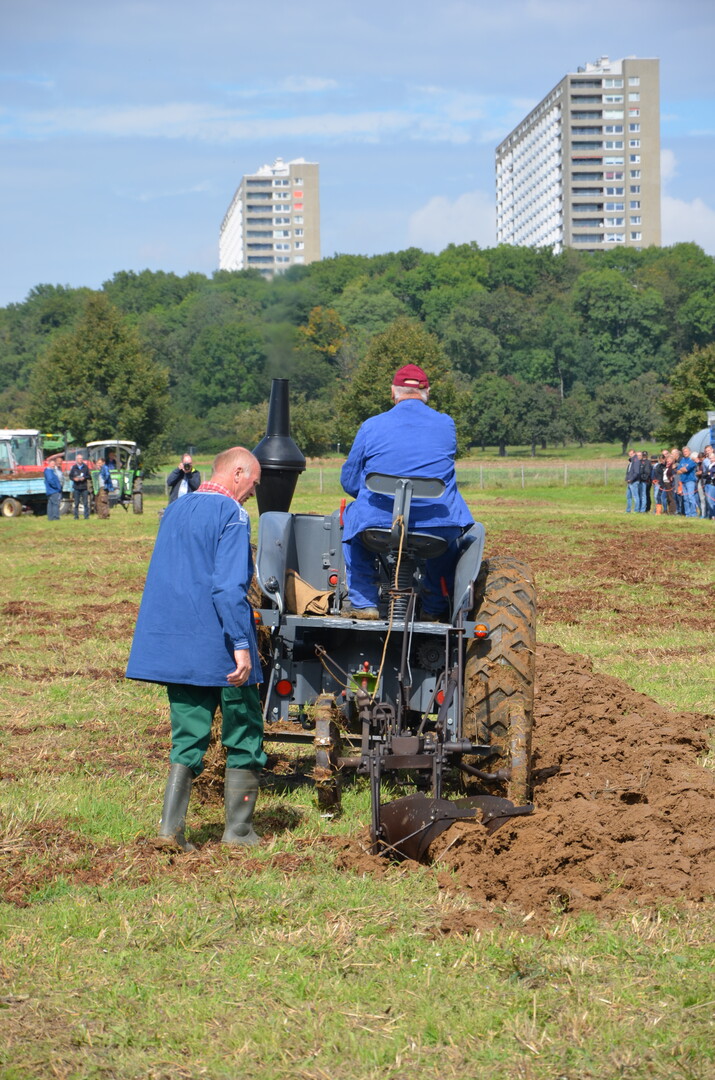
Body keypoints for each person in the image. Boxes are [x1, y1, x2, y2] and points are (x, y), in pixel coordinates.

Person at [126, 447, 265, 852]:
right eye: (254, 482)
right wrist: (242, 645)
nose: (254, 492)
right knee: (244, 731)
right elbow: (227, 588)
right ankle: (238, 833)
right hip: (220, 645)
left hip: (177, 646)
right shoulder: (232, 515)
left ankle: (171, 832)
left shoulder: (175, 509)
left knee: (187, 737)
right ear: (238, 473)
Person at [340, 364, 473, 620]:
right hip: (435, 523)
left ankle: (364, 602)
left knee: (351, 522)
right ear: (427, 392)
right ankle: (434, 608)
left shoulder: (371, 426)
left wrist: (373, 499)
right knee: (447, 542)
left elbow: (349, 481)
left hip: (378, 524)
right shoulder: (446, 425)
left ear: (393, 392)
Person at [676, 447, 698, 518]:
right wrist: (682, 470)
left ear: (689, 452)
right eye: (684, 452)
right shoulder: (682, 460)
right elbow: (678, 471)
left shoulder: (691, 460)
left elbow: (686, 469)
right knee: (685, 498)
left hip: (690, 481)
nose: (685, 453)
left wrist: (682, 470)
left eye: (686, 451)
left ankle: (693, 513)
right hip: (683, 481)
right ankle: (688, 514)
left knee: (690, 497)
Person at [69, 454, 91, 519]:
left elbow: (89, 476)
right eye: (79, 458)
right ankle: (76, 516)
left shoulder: (85, 467)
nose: (80, 460)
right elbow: (70, 476)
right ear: (76, 460)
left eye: (81, 458)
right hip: (76, 487)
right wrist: (74, 479)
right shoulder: (74, 467)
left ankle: (86, 516)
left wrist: (84, 478)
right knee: (76, 503)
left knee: (85, 503)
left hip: (84, 487)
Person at [43, 455, 64, 521]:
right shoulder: (49, 471)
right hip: (53, 490)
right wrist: (57, 487)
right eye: (52, 464)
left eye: (53, 465)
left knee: (50, 504)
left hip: (51, 490)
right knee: (55, 504)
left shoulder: (51, 471)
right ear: (49, 464)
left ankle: (50, 518)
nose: (53, 466)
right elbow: (50, 481)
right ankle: (56, 517)